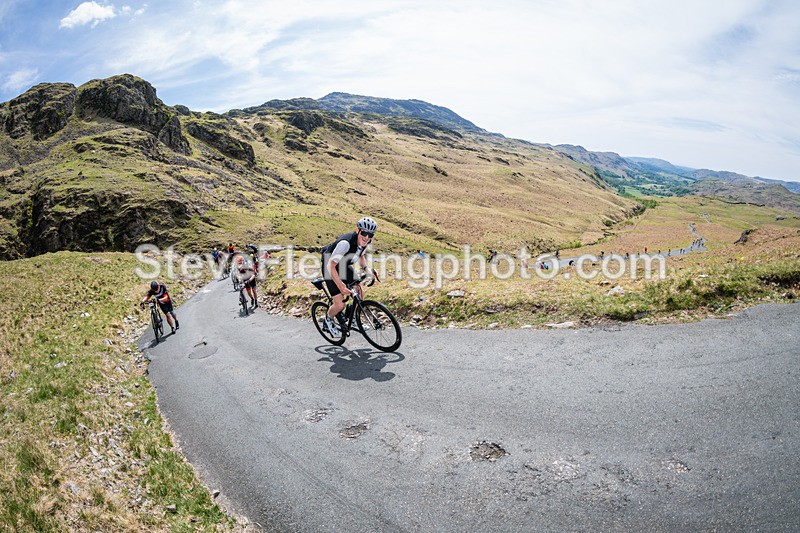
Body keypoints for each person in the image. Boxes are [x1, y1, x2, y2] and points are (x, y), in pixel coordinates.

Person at [320, 217, 378, 334]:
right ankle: (328, 319)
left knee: (360, 293)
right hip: (330, 266)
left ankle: (352, 319)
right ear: (358, 230)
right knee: (340, 304)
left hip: (343, 265)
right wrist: (341, 286)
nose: (367, 237)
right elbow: (330, 266)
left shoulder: (365, 242)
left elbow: (361, 256)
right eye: (364, 233)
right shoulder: (345, 244)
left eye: (370, 235)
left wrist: (367, 269)